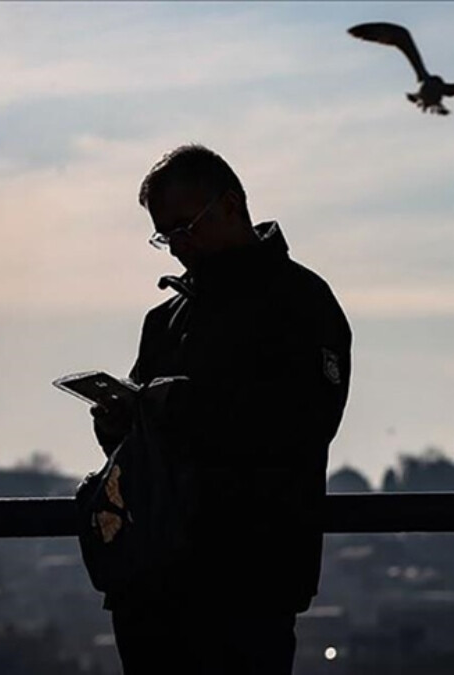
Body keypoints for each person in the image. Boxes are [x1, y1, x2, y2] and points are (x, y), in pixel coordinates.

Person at [88, 143, 352, 673]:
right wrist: (120, 426)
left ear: (231, 205)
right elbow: (143, 448)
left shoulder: (300, 301)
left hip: (247, 577)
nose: (177, 247)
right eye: (166, 235)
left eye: (186, 227)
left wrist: (183, 408)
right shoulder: (164, 320)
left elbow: (308, 422)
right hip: (157, 579)